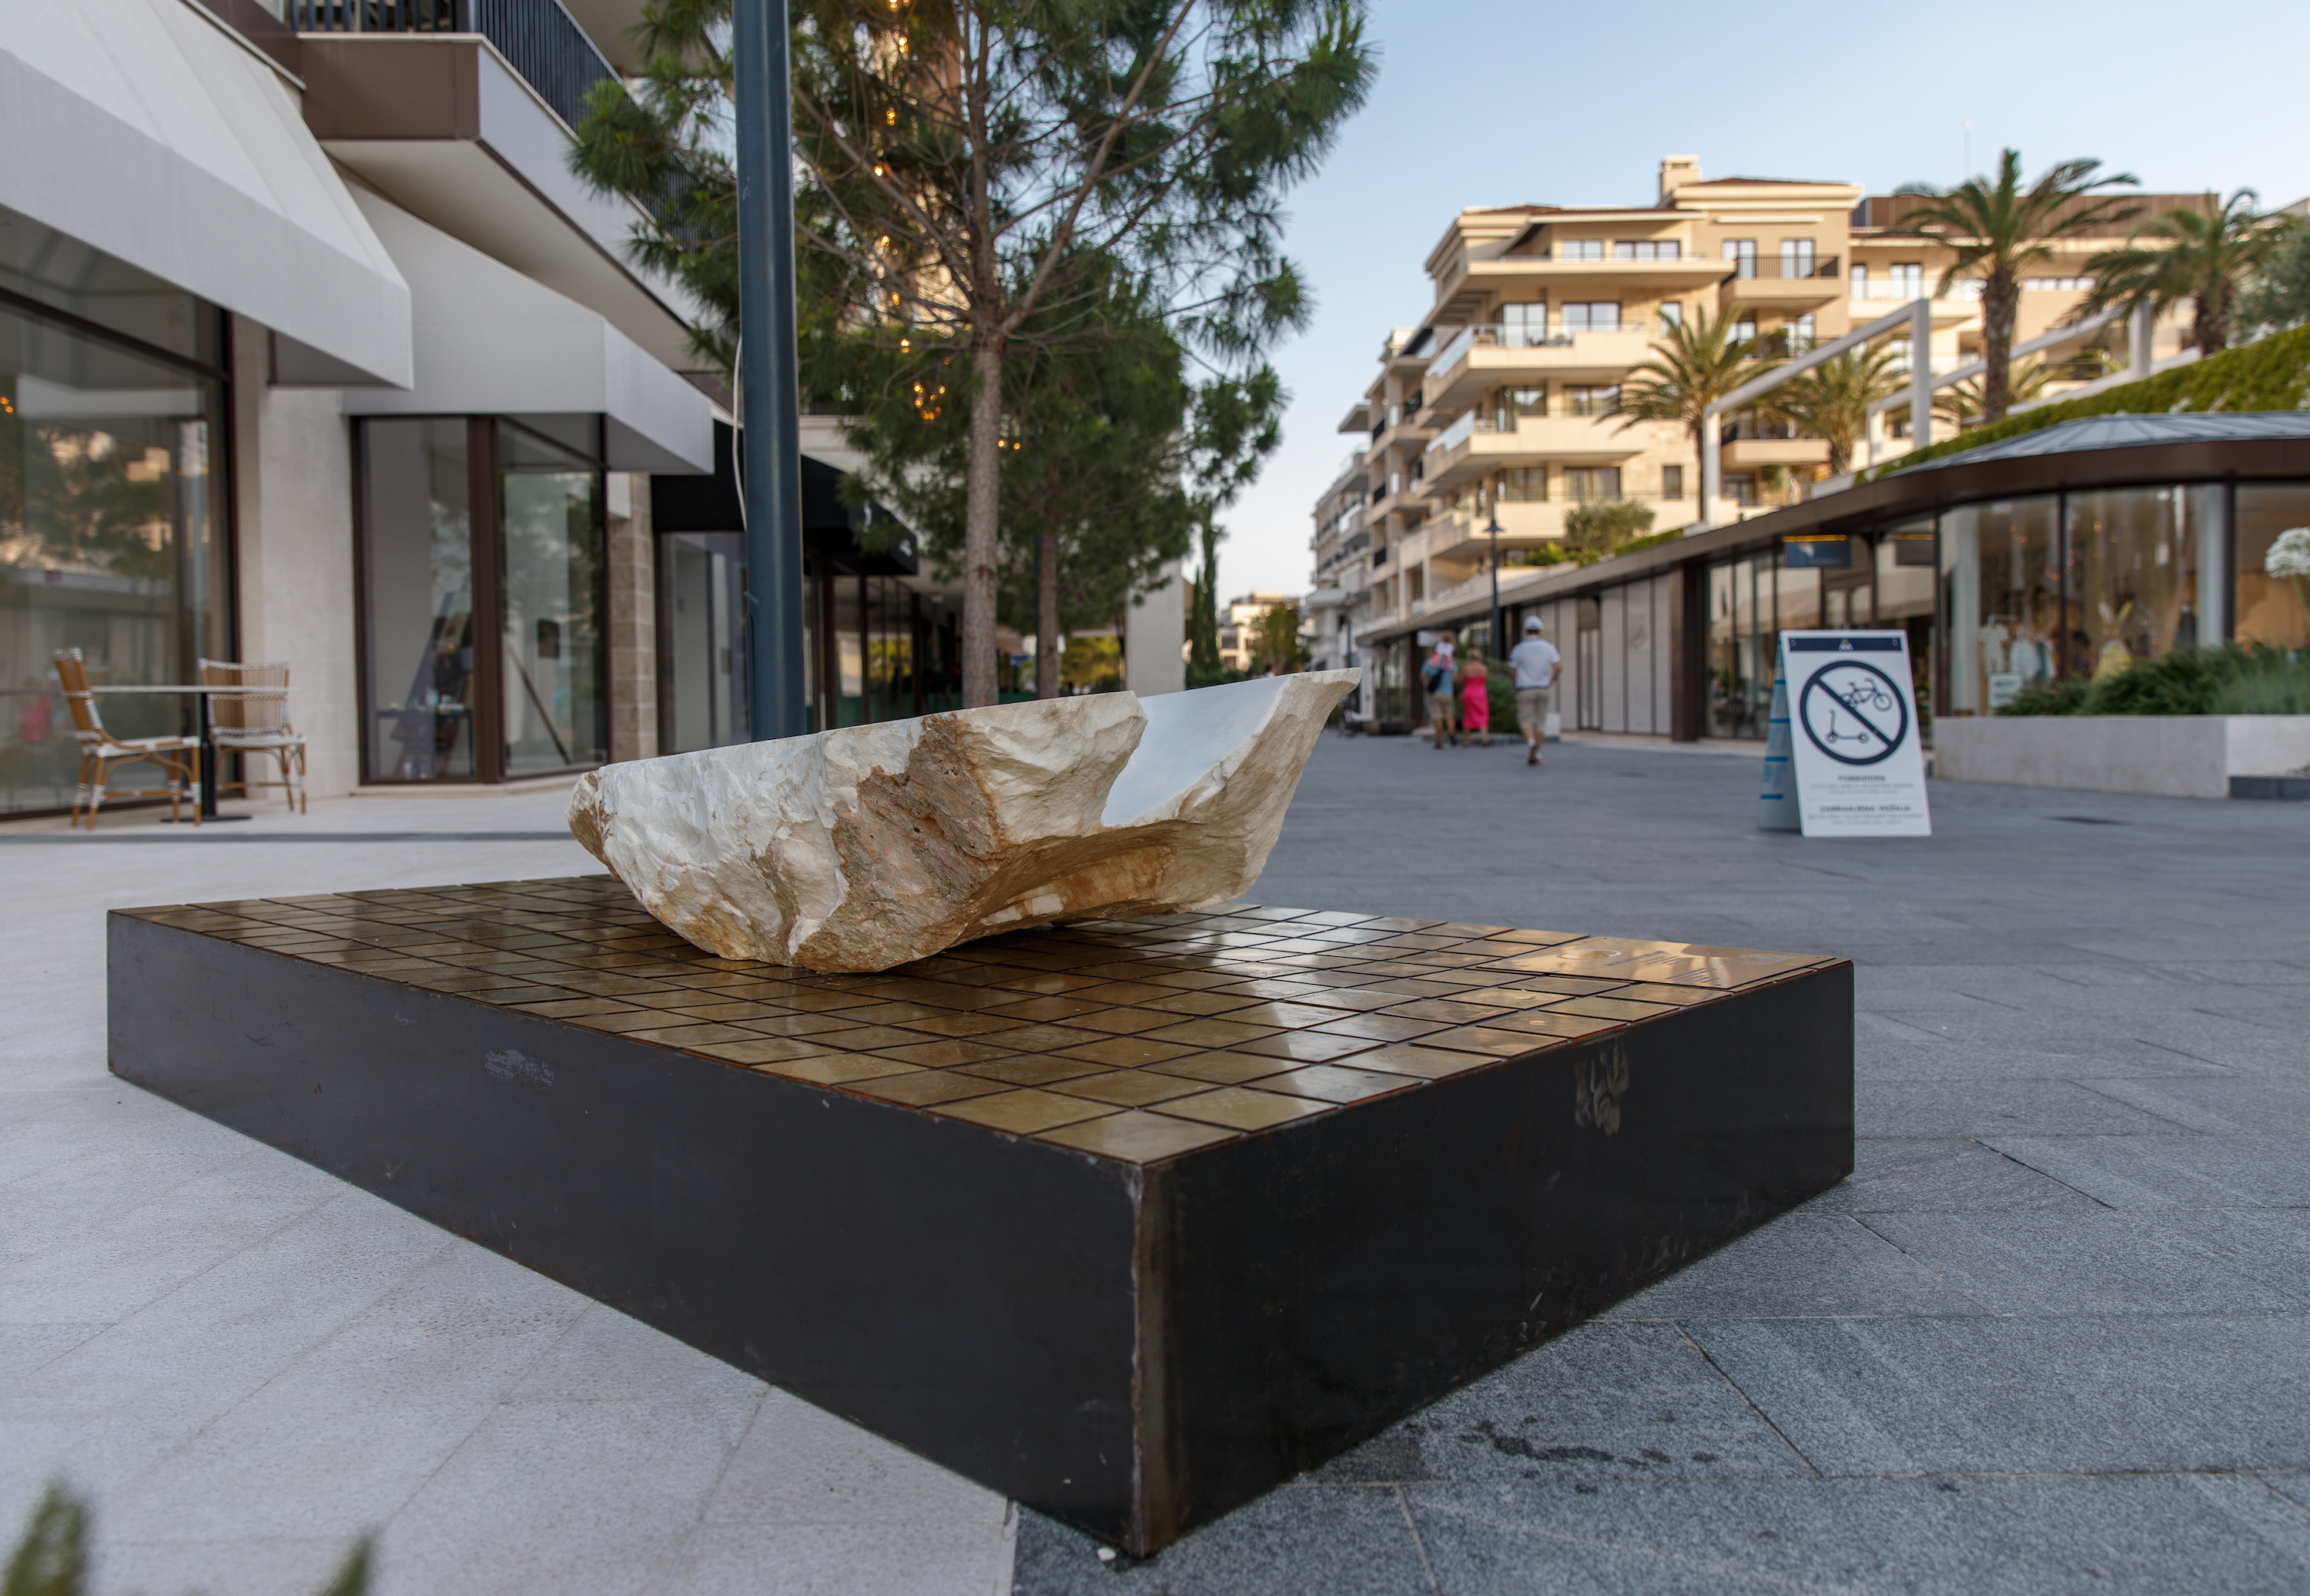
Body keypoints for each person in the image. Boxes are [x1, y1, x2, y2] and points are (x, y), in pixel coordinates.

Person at [1509, 614, 1560, 767]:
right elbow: (1558, 666)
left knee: (1525, 721)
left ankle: (1531, 743)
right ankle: (1537, 753)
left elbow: (1512, 671)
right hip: (1543, 688)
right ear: (1540, 630)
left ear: (1525, 630)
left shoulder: (1518, 649)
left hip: (1525, 688)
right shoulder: (1548, 647)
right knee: (1540, 722)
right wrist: (1552, 679)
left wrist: (1515, 684)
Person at [1421, 637, 1457, 751]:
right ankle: (1451, 732)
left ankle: (1439, 741)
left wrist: (1429, 681)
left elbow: (1423, 676)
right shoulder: (1450, 661)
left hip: (1434, 693)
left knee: (1438, 718)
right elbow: (1456, 677)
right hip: (1448, 693)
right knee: (1449, 716)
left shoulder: (1430, 661)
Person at [1460, 653, 1491, 748]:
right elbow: (1485, 680)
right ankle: (1484, 738)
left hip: (1468, 692)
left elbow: (1462, 680)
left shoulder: (1466, 668)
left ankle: (1466, 740)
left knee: (1468, 715)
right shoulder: (1484, 668)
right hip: (1480, 693)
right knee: (1483, 714)